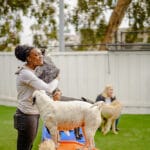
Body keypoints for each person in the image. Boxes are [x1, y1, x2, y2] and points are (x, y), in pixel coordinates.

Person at [14, 45, 59, 150]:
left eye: (40, 54)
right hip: (26, 116)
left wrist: (54, 94)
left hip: (33, 114)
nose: (41, 56)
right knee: (24, 147)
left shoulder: (34, 71)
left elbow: (41, 90)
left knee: (29, 145)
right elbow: (48, 88)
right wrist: (57, 78)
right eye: (37, 54)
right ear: (29, 58)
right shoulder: (26, 73)